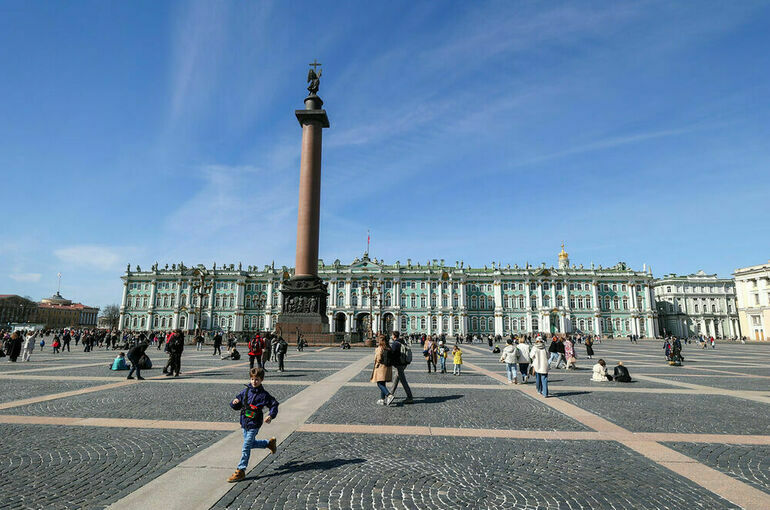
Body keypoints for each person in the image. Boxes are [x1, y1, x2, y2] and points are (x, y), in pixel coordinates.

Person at [227, 367, 278, 483]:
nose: (254, 382)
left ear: (261, 380)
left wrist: (271, 415)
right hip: (245, 422)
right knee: (251, 444)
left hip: (254, 424)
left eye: (257, 379)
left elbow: (274, 404)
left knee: (246, 446)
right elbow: (237, 403)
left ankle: (241, 470)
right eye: (252, 379)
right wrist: (234, 402)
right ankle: (268, 443)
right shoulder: (245, 391)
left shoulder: (264, 395)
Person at [385, 331, 413, 405]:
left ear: (394, 336)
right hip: (403, 363)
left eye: (392, 335)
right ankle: (390, 394)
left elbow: (393, 353)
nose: (391, 336)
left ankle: (410, 397)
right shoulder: (402, 341)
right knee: (396, 379)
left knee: (403, 381)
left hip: (399, 364)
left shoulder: (395, 343)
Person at [371, 335, 393, 405]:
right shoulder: (389, 347)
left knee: (379, 383)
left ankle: (389, 395)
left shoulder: (380, 348)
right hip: (388, 367)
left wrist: (376, 365)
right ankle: (382, 399)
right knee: (383, 383)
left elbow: (378, 358)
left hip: (381, 367)